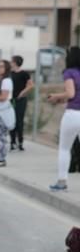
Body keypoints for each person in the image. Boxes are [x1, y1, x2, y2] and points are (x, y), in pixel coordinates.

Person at [47, 46, 80, 191]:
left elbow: (71, 94)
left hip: (73, 114)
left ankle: (61, 182)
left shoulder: (69, 72)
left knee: (64, 149)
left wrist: (56, 97)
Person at [9, 55, 33, 152]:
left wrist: (22, 93)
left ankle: (20, 141)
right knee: (11, 120)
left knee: (19, 121)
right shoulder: (10, 73)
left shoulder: (24, 74)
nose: (10, 63)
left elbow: (31, 85)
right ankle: (12, 142)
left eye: (12, 61)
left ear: (15, 62)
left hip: (20, 100)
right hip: (11, 99)